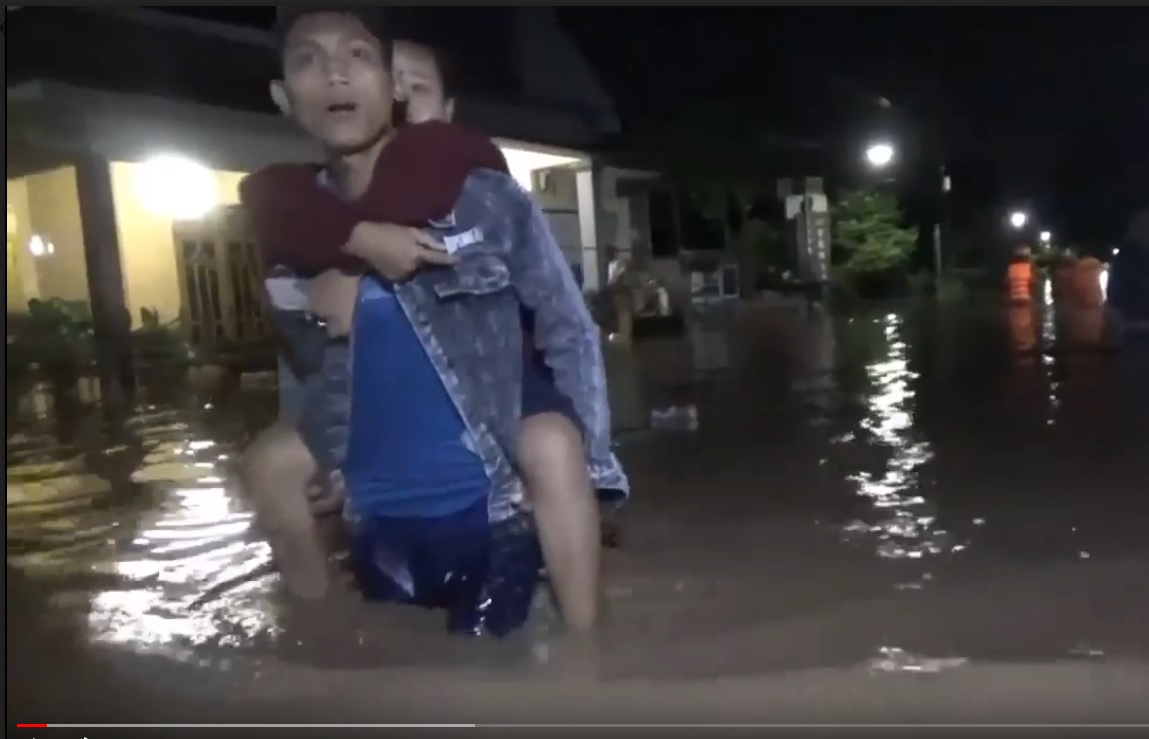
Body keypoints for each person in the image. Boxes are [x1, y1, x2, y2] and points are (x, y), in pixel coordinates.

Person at [240, 8, 627, 638]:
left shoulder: (477, 187)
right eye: (309, 59)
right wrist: (327, 456)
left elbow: (565, 326)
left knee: (553, 447)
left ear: (392, 86)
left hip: (490, 451)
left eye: (357, 57)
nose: (335, 74)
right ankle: (314, 648)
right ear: (284, 97)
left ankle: (592, 655)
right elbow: (300, 357)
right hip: (382, 492)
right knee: (271, 465)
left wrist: (595, 469)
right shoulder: (290, 218)